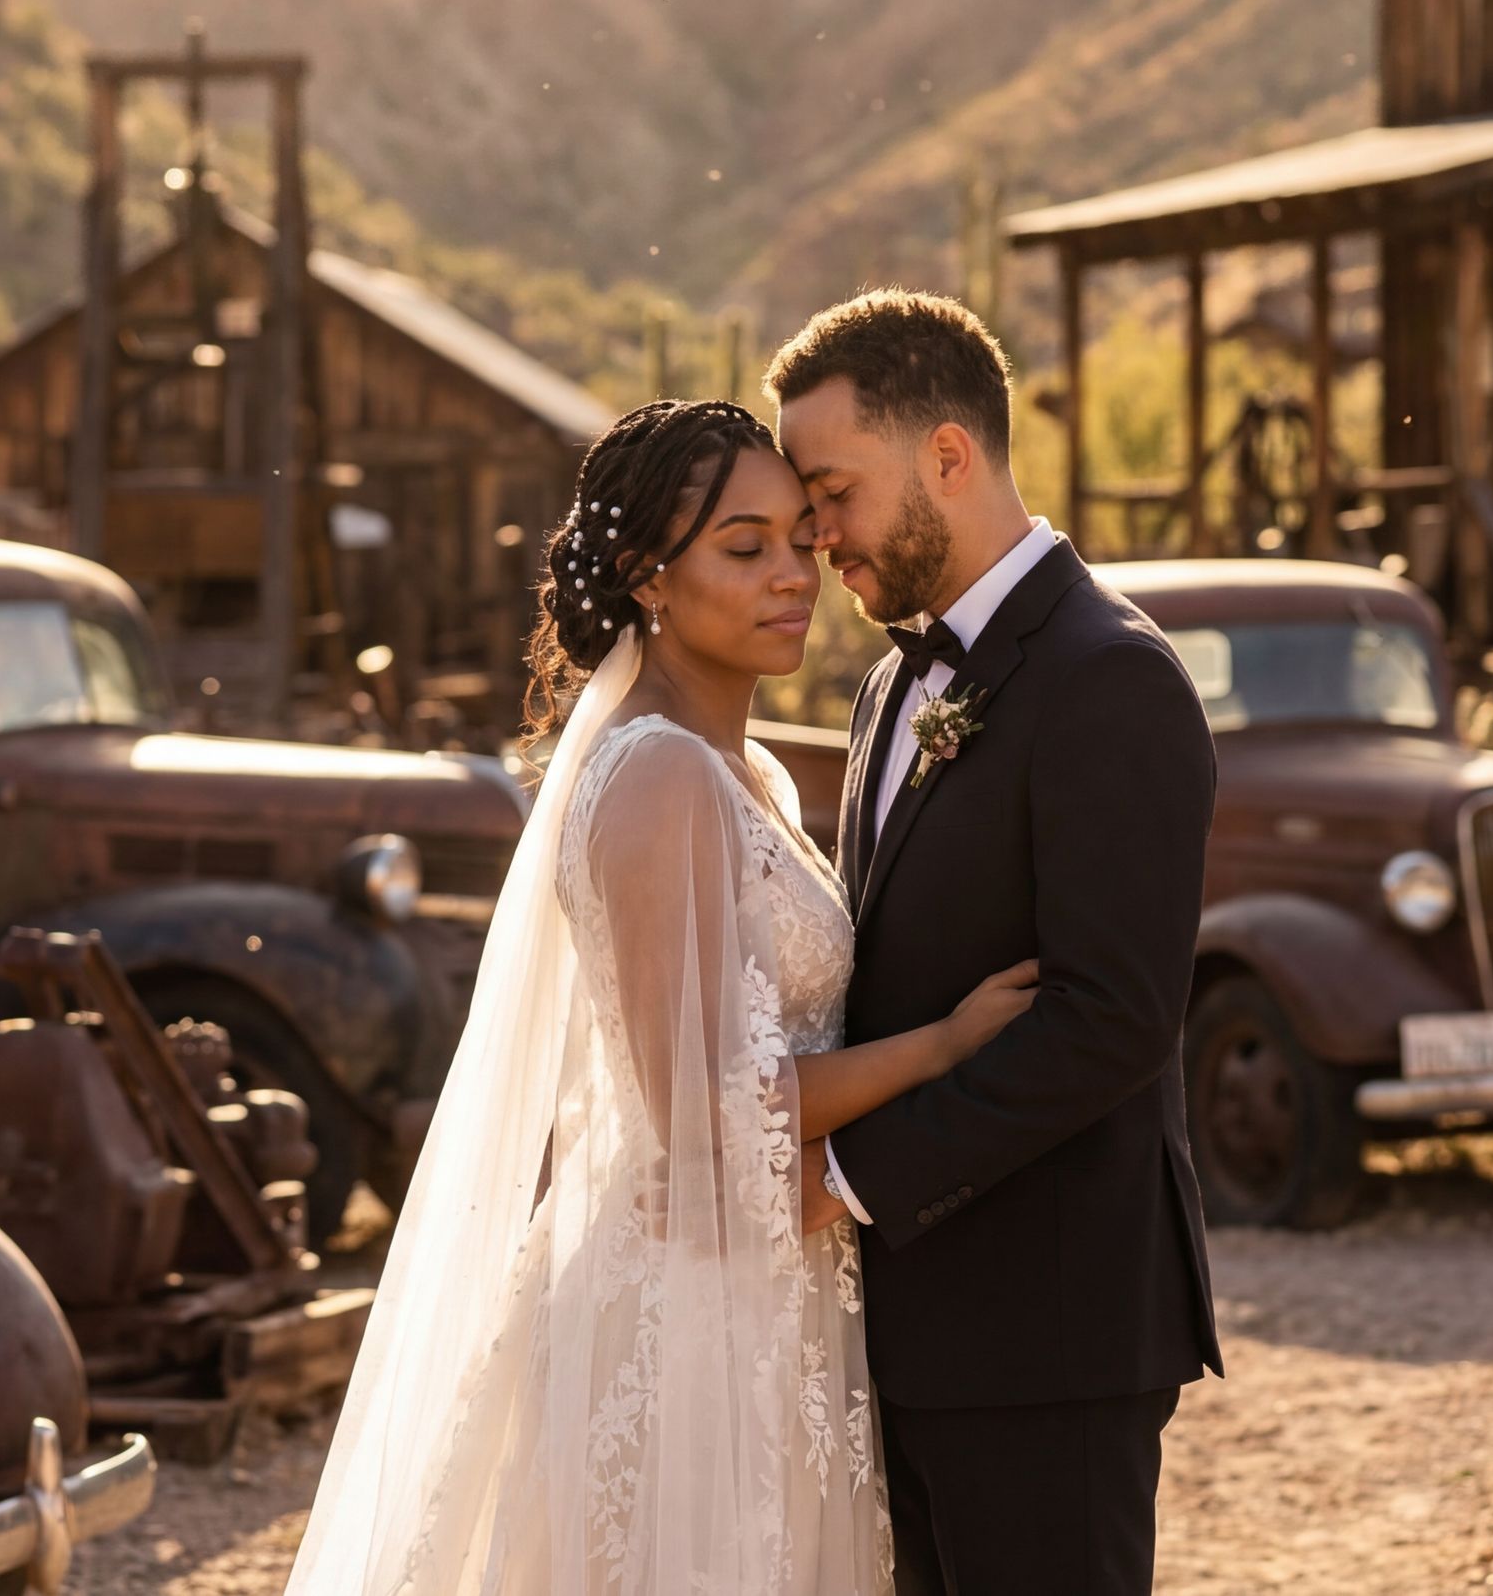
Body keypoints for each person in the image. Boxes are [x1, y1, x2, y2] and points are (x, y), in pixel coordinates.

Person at [287, 397, 1040, 1596]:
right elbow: (705, 1116)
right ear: (649, 578)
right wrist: (944, 1047)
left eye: (800, 537)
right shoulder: (660, 778)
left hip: (772, 1276)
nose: (793, 573)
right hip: (688, 1307)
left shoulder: (744, 773)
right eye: (744, 548)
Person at [766, 289, 1223, 1596]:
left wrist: (854, 1176)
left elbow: (1112, 1018)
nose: (818, 535)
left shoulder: (1108, 675)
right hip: (912, 1327)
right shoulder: (892, 680)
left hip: (1050, 1331)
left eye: (834, 493)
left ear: (950, 455)